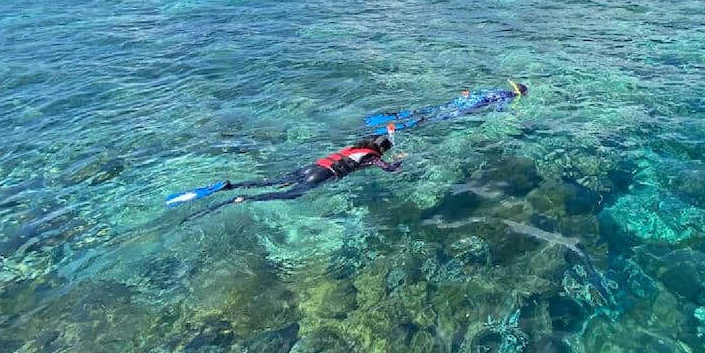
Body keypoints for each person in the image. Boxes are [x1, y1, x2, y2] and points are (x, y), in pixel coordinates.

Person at [168, 128, 405, 218]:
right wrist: (400, 161)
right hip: (322, 175)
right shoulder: (372, 157)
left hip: (311, 167)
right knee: (290, 195)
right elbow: (390, 169)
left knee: (271, 181)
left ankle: (231, 186)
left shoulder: (354, 148)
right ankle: (243, 199)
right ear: (381, 150)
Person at [364, 80, 528, 133]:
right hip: (469, 107)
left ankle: (395, 115)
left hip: (463, 101)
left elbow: (478, 92)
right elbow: (499, 109)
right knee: (436, 118)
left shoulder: (499, 90)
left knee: (435, 108)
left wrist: (465, 95)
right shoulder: (507, 97)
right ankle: (409, 123)